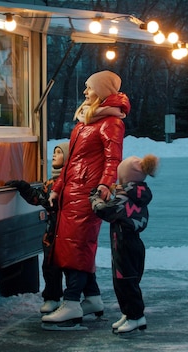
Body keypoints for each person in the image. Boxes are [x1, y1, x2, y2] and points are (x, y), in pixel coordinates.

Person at [42, 70, 131, 330]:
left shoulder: (111, 122)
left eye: (89, 88)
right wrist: (58, 187)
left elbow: (113, 158)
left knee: (77, 246)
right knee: (71, 245)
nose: (84, 92)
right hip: (72, 192)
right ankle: (91, 298)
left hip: (88, 193)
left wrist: (104, 185)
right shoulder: (86, 121)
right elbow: (70, 162)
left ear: (102, 91)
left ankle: (71, 303)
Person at [89, 154, 158, 335]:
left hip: (124, 245)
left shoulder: (124, 198)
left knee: (125, 282)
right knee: (126, 281)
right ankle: (129, 314)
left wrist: (94, 197)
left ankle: (135, 316)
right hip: (131, 243)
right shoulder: (136, 195)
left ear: (124, 178)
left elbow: (104, 211)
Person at [5, 142, 70, 314]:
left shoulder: (73, 183)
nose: (54, 155)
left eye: (59, 153)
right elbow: (38, 198)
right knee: (49, 266)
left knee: (73, 268)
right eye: (54, 152)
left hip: (69, 232)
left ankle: (77, 299)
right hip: (51, 234)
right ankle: (52, 297)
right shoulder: (50, 183)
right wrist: (23, 187)